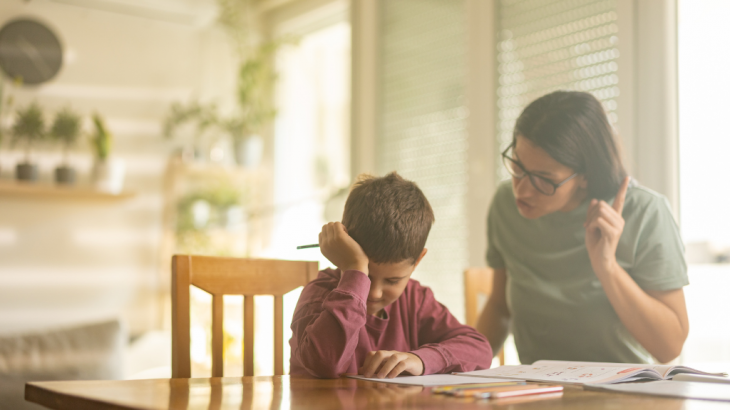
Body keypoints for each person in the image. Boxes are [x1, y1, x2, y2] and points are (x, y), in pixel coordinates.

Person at [478, 91, 689, 365]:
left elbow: (669, 346)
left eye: (543, 178)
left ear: (585, 177)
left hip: (621, 392)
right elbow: (499, 306)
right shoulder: (506, 205)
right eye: (517, 165)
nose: (522, 189)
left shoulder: (645, 212)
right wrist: (457, 363)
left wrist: (607, 268)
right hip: (538, 388)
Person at [290, 172, 492, 378]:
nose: (375, 293)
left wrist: (422, 360)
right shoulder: (320, 292)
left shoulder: (415, 299)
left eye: (392, 280)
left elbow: (479, 349)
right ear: (345, 252)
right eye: (365, 276)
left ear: (418, 260)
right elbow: (325, 363)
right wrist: (354, 270)